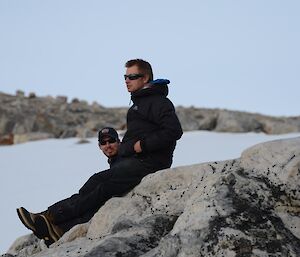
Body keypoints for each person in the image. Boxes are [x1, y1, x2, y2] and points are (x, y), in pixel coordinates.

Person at [17, 58, 183, 246]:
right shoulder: (138, 105)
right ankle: (59, 228)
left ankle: (51, 216)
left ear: (145, 78)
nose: (127, 80)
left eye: (132, 76)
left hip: (149, 162)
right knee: (99, 193)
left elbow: (173, 131)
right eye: (125, 77)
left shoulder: (158, 102)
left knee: (100, 183)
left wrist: (140, 146)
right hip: (135, 161)